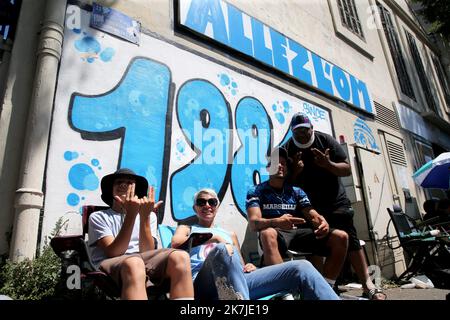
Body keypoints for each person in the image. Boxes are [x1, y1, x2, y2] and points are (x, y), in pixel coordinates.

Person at [282, 112, 386, 300]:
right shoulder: (287, 149)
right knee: (315, 244)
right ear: (292, 132)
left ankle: (367, 285)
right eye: (297, 132)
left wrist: (328, 164)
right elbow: (283, 183)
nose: (302, 135)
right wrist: (295, 172)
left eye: (305, 130)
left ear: (311, 128)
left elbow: (346, 169)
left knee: (352, 240)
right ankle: (321, 286)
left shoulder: (325, 140)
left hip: (335, 201)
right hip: (308, 207)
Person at [171, 188, 340, 300]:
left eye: (212, 202)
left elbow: (239, 266)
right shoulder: (186, 228)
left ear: (217, 206)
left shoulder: (230, 234)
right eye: (201, 202)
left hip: (238, 284)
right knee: (222, 249)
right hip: (202, 284)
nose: (207, 205)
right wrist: (215, 239)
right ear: (195, 208)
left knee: (301, 267)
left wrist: (248, 266)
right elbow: (176, 245)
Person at [246, 147, 348, 290]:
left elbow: (310, 213)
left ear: (287, 169)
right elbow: (253, 223)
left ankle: (326, 288)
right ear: (268, 168)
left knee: (341, 237)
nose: (280, 165)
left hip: (298, 233)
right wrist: (277, 221)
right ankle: (286, 291)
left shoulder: (296, 191)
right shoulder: (256, 191)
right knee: (267, 233)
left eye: (284, 163)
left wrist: (321, 221)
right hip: (276, 234)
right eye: (276, 162)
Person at [88, 168, 194, 300]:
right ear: (111, 189)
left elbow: (147, 250)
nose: (123, 185)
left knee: (181, 256)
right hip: (110, 265)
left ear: (136, 190)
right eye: (119, 182)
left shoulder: (149, 215)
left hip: (143, 260)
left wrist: (145, 217)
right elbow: (113, 252)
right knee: (134, 263)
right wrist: (131, 215)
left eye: (129, 183)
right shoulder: (98, 217)